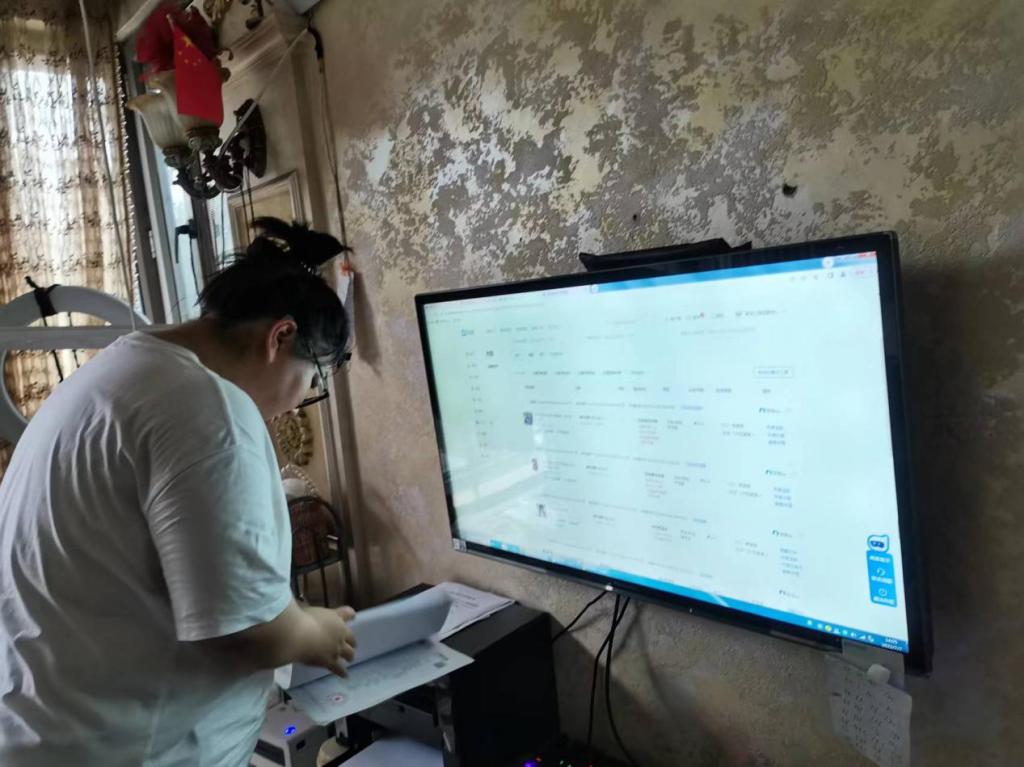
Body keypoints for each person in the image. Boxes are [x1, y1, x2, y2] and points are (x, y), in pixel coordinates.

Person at [0, 218, 357, 766]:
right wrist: (315, 633)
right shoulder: (207, 411)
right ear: (280, 337)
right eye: (311, 381)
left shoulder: (117, 371)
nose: (293, 406)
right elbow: (246, 631)